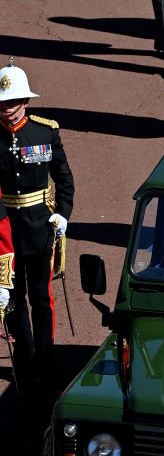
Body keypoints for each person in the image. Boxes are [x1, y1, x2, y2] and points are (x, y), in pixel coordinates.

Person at [0, 59, 74, 391]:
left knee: (42, 298)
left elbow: (64, 178)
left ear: (26, 102)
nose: (8, 109)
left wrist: (63, 213)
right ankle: (26, 360)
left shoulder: (45, 130)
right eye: (3, 103)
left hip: (41, 227)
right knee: (13, 300)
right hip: (6, 232)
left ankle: (46, 358)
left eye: (13, 102)